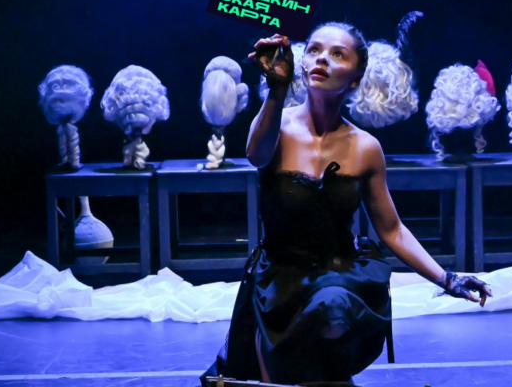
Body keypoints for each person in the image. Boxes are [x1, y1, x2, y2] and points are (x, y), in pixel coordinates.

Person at [201, 22, 492, 386]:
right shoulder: (278, 126)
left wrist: (446, 278)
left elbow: (391, 229)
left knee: (332, 309)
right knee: (280, 376)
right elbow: (256, 155)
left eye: (337, 54)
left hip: (337, 276)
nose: (322, 59)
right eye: (314, 50)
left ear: (354, 79)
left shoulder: (365, 147)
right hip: (277, 281)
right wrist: (277, 88)